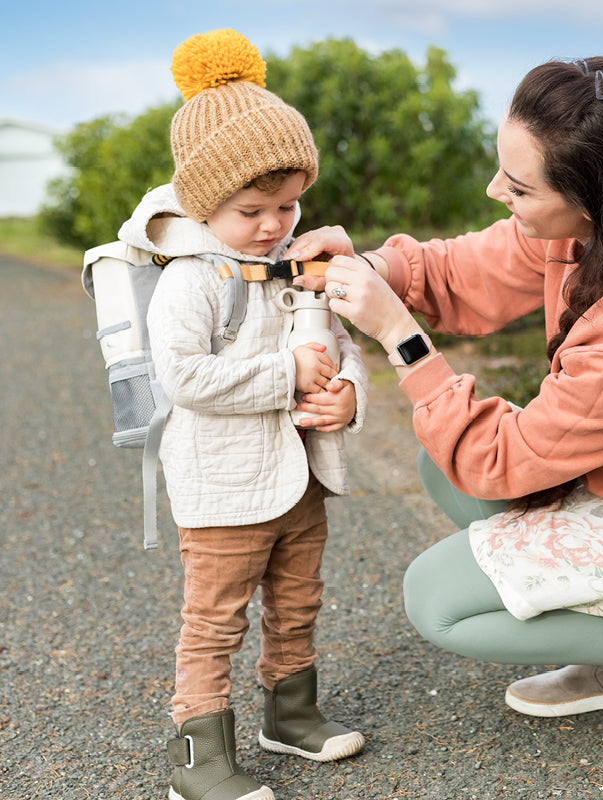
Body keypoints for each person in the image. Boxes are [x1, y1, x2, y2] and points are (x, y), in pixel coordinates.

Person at [286, 46, 603, 770]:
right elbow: (471, 268)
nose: (498, 190)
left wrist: (400, 337)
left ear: (592, 196)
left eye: (520, 187)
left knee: (438, 600)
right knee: (442, 465)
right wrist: (374, 268)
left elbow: (506, 462)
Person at [117, 30, 368, 800]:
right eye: (250, 209)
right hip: (223, 488)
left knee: (297, 602)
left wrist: (346, 393)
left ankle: (289, 716)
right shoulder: (191, 279)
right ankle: (199, 760)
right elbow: (185, 376)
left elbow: (343, 341)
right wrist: (284, 374)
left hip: (302, 482)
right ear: (203, 202)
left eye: (288, 204)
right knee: (216, 619)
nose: (272, 224)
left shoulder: (298, 261)